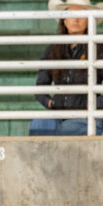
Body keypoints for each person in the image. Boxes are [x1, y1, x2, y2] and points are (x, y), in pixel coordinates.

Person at [29, 0, 103, 136]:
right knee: (38, 124)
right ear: (64, 20)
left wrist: (94, 104)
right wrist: (50, 103)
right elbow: (40, 86)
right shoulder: (53, 49)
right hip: (59, 114)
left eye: (81, 15)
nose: (75, 19)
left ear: (89, 20)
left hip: (87, 116)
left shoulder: (99, 49)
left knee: (68, 128)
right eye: (71, 14)